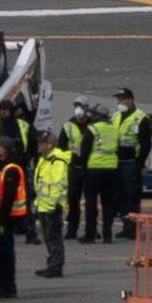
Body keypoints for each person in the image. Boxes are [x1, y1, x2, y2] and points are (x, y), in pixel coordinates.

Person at [0, 139, 26, 299]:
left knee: (5, 254)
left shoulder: (11, 169)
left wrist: (1, 221)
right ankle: (3, 285)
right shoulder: (2, 168)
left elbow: (8, 197)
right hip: (6, 216)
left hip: (8, 217)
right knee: (2, 253)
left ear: (7, 150)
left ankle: (7, 286)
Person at [33, 128, 72, 279]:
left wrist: (52, 205)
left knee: (54, 237)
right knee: (49, 237)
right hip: (44, 204)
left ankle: (56, 267)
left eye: (42, 143)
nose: (40, 145)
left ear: (49, 144)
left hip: (52, 206)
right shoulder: (45, 158)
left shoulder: (57, 160)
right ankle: (52, 263)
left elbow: (57, 184)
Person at [111, 89, 149, 240]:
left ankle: (134, 228)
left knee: (132, 195)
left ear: (130, 100)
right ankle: (127, 226)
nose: (120, 102)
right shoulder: (115, 116)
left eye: (122, 99)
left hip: (131, 162)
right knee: (120, 196)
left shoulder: (140, 118)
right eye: (118, 99)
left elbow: (145, 144)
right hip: (117, 161)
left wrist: (139, 163)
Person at [85, 98, 121, 244]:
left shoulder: (92, 129)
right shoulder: (114, 129)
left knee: (91, 204)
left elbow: (85, 150)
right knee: (108, 204)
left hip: (94, 169)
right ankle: (107, 235)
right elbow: (118, 147)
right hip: (112, 169)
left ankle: (90, 234)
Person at [61, 103, 94, 243]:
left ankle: (90, 231)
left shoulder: (92, 126)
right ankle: (71, 230)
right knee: (73, 201)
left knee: (90, 202)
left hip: (89, 167)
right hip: (74, 167)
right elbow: (61, 148)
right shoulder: (68, 126)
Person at [0, 98, 33, 168]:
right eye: (0, 110)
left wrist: (26, 159)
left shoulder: (23, 125)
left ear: (11, 110)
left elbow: (32, 145)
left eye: (5, 109)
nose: (3, 112)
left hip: (21, 165)